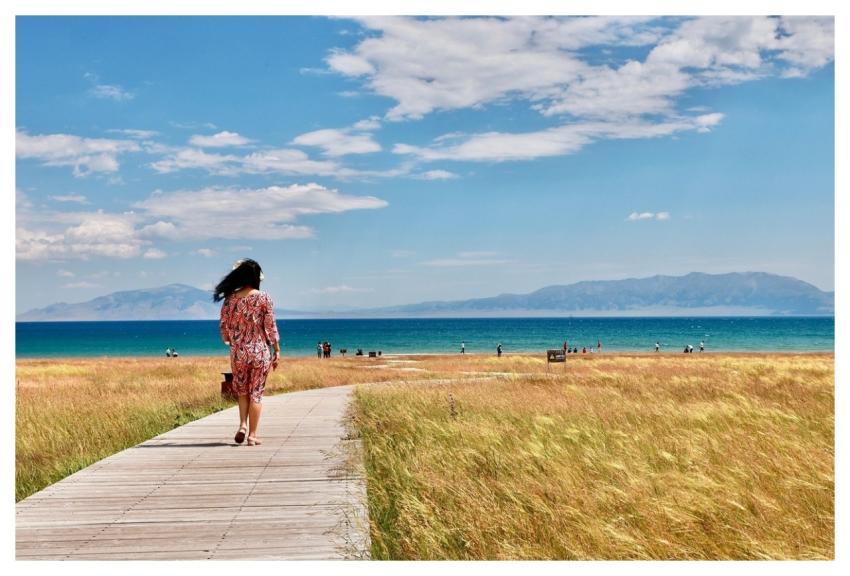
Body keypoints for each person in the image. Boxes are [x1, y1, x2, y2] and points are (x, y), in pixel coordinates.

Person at [215, 259, 280, 447]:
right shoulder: (264, 298)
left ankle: (242, 425)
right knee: (256, 393)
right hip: (260, 352)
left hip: (238, 353)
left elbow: (224, 326)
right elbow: (270, 326)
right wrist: (277, 350)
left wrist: (230, 340)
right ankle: (252, 435)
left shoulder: (230, 299)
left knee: (242, 391)